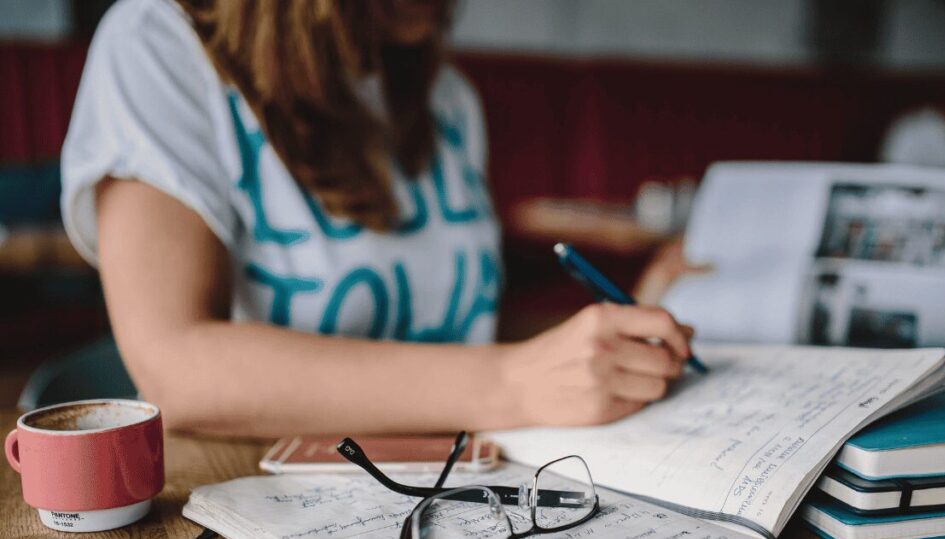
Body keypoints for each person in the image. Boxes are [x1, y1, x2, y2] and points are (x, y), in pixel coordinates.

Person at [60, 0, 694, 437]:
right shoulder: (157, 43)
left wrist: (621, 330)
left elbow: (456, 331)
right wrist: (512, 384)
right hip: (255, 496)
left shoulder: (445, 98)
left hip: (462, 479)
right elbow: (176, 367)